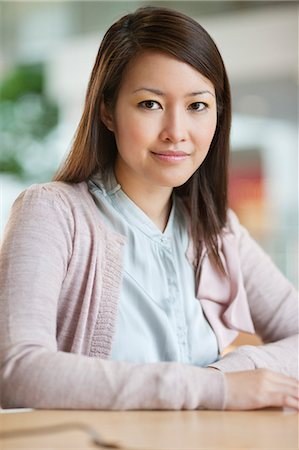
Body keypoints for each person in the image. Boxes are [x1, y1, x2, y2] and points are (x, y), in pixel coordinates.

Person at [0, 6, 298, 412]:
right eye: (150, 104)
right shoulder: (52, 212)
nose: (176, 132)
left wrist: (224, 375)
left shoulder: (217, 230)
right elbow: (17, 370)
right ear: (107, 110)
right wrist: (216, 391)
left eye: (197, 106)